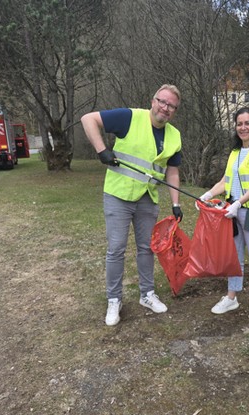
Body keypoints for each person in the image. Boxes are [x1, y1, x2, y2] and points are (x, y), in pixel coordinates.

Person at [81, 84, 183, 326]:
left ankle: (147, 294)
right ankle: (114, 299)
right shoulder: (129, 117)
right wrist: (102, 151)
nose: (165, 108)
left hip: (148, 197)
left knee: (146, 248)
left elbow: (172, 171)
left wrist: (176, 203)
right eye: (162, 101)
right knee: (116, 249)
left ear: (174, 111)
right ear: (153, 100)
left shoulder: (174, 136)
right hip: (118, 194)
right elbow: (87, 119)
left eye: (171, 106)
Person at [199, 107, 249, 321]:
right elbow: (225, 181)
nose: (243, 127)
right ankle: (232, 297)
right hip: (232, 213)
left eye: (248, 123)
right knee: (234, 256)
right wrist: (208, 194)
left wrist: (239, 203)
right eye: (239, 124)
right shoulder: (234, 153)